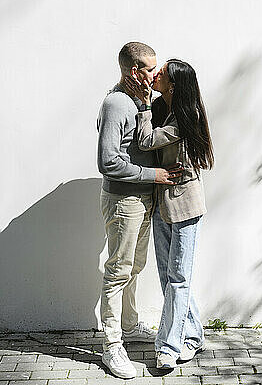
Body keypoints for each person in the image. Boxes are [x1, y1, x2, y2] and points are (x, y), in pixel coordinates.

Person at [97, 42, 182, 379]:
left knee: (135, 266)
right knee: (118, 271)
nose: (156, 73)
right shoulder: (117, 103)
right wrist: (153, 175)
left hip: (143, 200)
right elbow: (107, 161)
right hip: (124, 201)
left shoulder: (139, 102)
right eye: (150, 68)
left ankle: (130, 326)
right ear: (135, 71)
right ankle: (111, 345)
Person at [125, 58, 214, 369]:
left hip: (186, 205)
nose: (155, 74)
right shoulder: (166, 110)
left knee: (178, 278)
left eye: (161, 73)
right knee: (169, 277)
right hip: (163, 202)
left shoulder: (184, 117)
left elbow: (147, 140)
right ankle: (194, 336)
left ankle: (168, 346)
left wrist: (145, 103)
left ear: (173, 85)